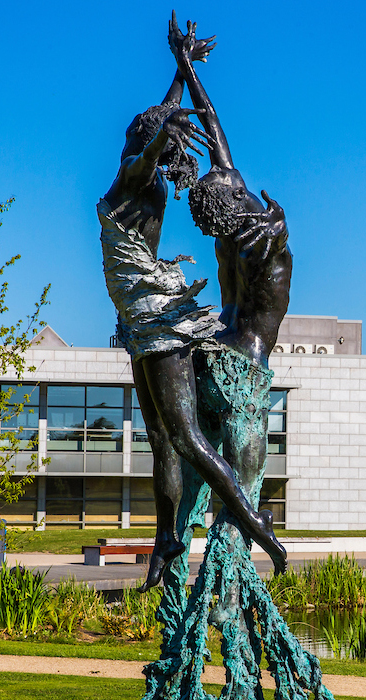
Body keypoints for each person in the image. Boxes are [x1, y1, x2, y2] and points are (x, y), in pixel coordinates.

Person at [97, 35, 287, 592]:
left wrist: (177, 88)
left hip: (157, 316)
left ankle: (252, 522)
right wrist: (180, 77)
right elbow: (161, 133)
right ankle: (167, 538)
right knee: (162, 437)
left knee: (182, 437)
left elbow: (159, 135)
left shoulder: (142, 173)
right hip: (139, 320)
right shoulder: (137, 173)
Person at [167, 14, 293, 538]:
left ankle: (174, 558)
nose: (235, 175)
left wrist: (184, 65)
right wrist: (282, 227)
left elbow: (211, 125)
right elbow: (277, 240)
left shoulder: (222, 234)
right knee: (241, 499)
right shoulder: (263, 238)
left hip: (211, 352)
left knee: (195, 478)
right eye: (235, 183)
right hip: (245, 367)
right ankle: (231, 568)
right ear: (237, 198)